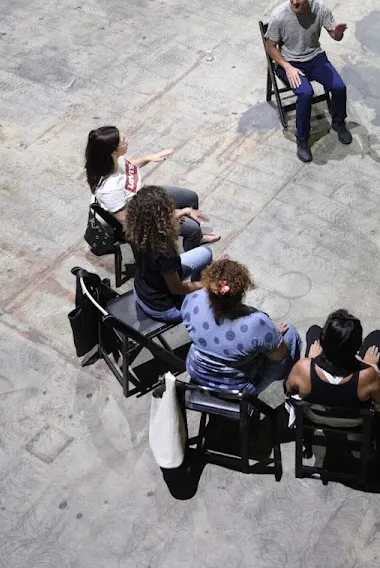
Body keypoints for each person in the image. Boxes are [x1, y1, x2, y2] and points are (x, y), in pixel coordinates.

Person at [84, 125, 220, 249]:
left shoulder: (113, 160)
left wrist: (149, 158)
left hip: (147, 196)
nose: (127, 141)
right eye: (123, 141)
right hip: (143, 217)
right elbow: (131, 221)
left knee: (190, 197)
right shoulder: (109, 189)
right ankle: (189, 255)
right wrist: (178, 213)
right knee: (192, 229)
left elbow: (129, 164)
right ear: (113, 152)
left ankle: (196, 238)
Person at [265, 0, 352, 163]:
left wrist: (338, 34)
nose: (295, 1)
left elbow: (334, 35)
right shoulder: (279, 15)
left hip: (315, 57)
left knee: (339, 87)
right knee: (306, 93)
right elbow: (270, 46)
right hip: (290, 62)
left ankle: (338, 123)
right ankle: (302, 139)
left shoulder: (319, 8)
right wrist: (287, 66)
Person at [182, 259, 303, 394]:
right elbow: (279, 355)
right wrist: (275, 335)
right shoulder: (257, 324)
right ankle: (293, 384)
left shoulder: (192, 299)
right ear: (241, 292)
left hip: (198, 372)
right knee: (290, 333)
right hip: (234, 389)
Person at [125, 186, 213, 322]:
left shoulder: (135, 232)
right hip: (162, 307)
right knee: (213, 303)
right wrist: (205, 284)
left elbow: (155, 220)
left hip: (143, 288)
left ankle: (197, 288)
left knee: (206, 253)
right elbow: (177, 289)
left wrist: (185, 211)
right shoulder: (164, 251)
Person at [285, 309, 380, 410]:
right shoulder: (368, 375)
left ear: (323, 344)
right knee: (377, 336)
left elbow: (288, 389)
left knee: (314, 330)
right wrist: (370, 366)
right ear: (358, 347)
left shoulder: (303, 367)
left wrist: (312, 360)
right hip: (351, 419)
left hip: (313, 416)